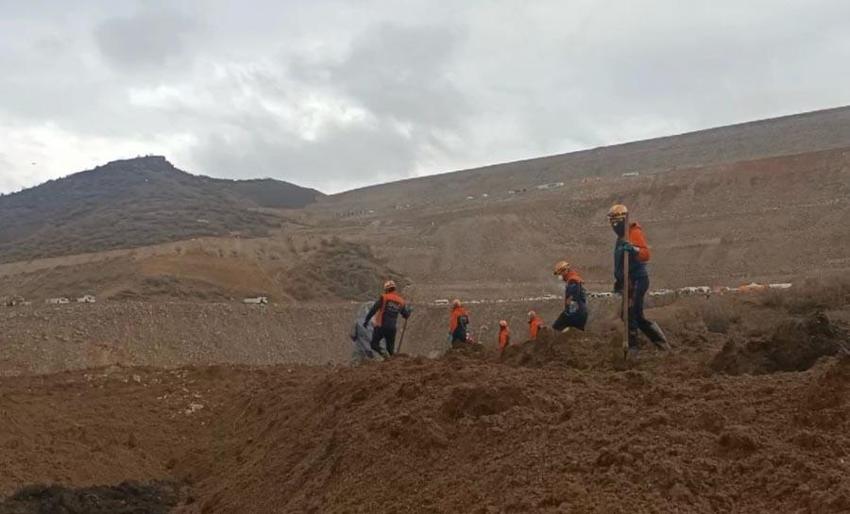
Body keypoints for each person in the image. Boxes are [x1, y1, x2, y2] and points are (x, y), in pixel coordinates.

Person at [607, 204, 669, 358]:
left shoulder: (633, 232)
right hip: (627, 282)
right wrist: (619, 282)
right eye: (612, 221)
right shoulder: (620, 239)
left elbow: (645, 254)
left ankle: (638, 348)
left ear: (623, 220)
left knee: (633, 313)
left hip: (638, 280)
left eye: (616, 221)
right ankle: (654, 344)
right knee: (628, 314)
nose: (614, 225)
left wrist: (633, 249)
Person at [364, 280, 411, 357]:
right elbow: (406, 315)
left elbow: (374, 309)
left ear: (386, 289)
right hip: (392, 328)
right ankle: (392, 360)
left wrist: (366, 320)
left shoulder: (384, 297)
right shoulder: (401, 301)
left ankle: (384, 354)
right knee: (390, 350)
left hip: (381, 326)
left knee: (374, 344)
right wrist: (409, 311)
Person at [551, 260, 588, 331]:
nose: (559, 276)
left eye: (560, 274)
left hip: (576, 313)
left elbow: (572, 300)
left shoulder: (572, 281)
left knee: (557, 327)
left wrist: (569, 314)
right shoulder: (575, 279)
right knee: (577, 333)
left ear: (565, 271)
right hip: (582, 312)